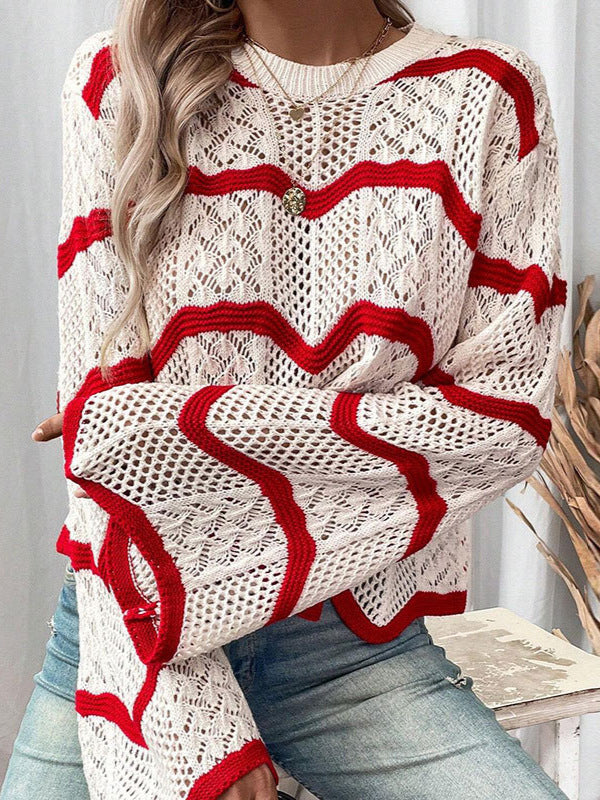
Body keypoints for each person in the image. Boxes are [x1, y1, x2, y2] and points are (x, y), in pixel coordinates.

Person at [2, 1, 568, 799]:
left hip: (350, 652)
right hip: (138, 627)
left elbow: (503, 426)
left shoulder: (490, 95)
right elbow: (101, 476)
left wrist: (163, 426)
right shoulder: (120, 79)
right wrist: (199, 735)